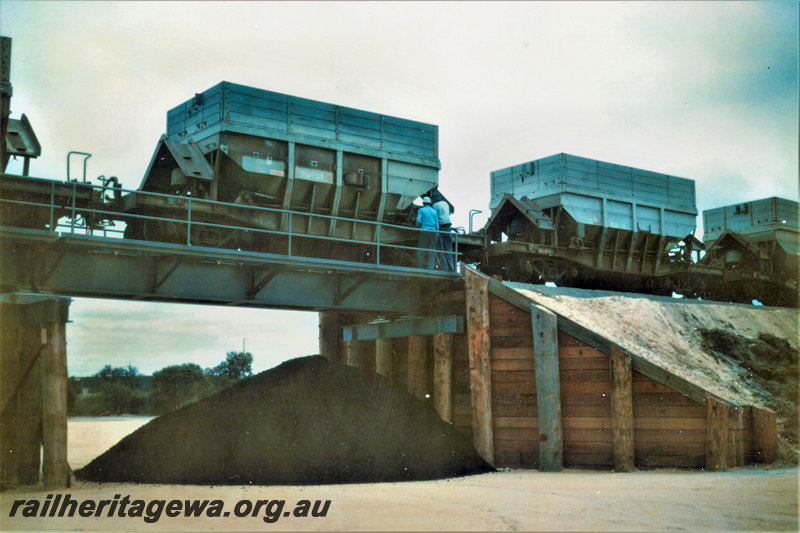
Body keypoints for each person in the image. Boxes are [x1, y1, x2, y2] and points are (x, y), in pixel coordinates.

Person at [431, 190, 454, 271]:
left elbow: (434, 218)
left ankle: (444, 268)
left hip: (441, 227)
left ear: (433, 199)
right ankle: (451, 268)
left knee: (440, 248)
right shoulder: (445, 203)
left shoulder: (434, 205)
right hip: (448, 227)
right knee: (448, 249)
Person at [415, 196, 439, 269]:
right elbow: (437, 224)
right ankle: (430, 267)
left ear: (423, 203)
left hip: (424, 230)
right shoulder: (434, 212)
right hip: (433, 231)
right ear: (430, 203)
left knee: (421, 249)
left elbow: (418, 221)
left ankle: (419, 266)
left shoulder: (421, 210)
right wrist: (437, 234)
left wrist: (417, 226)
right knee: (431, 250)